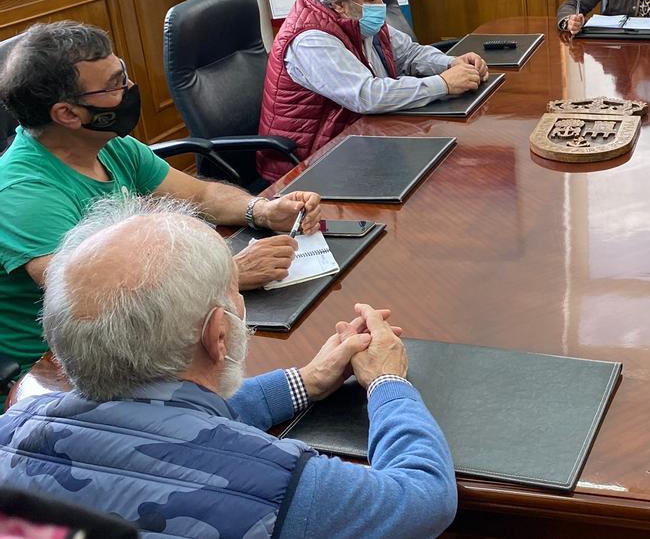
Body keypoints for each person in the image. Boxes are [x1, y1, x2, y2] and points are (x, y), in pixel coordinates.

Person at [0, 197, 457, 539]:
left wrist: (303, 383)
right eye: (236, 294)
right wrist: (387, 382)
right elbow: (424, 499)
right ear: (219, 337)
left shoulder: (12, 426)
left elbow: (155, 426)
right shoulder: (278, 485)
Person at [0, 21, 321, 389]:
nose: (131, 89)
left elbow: (200, 196)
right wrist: (226, 273)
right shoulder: (23, 193)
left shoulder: (107, 144)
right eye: (116, 84)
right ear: (69, 115)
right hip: (67, 372)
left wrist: (262, 210)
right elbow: (93, 302)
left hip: (142, 335)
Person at [258, 0, 489, 181]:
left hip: (360, 138)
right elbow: (367, 95)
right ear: (339, 4)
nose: (381, 6)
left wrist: (451, 62)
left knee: (452, 163)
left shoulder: (357, 19)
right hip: (309, 165)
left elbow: (409, 53)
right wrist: (444, 84)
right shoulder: (311, 40)